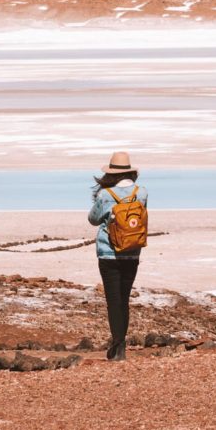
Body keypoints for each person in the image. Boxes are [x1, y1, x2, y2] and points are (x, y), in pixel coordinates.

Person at [87, 151, 147, 362]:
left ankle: (117, 346)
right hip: (132, 252)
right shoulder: (142, 193)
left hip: (108, 253)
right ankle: (120, 346)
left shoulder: (106, 195)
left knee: (113, 301)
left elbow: (93, 219)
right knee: (124, 299)